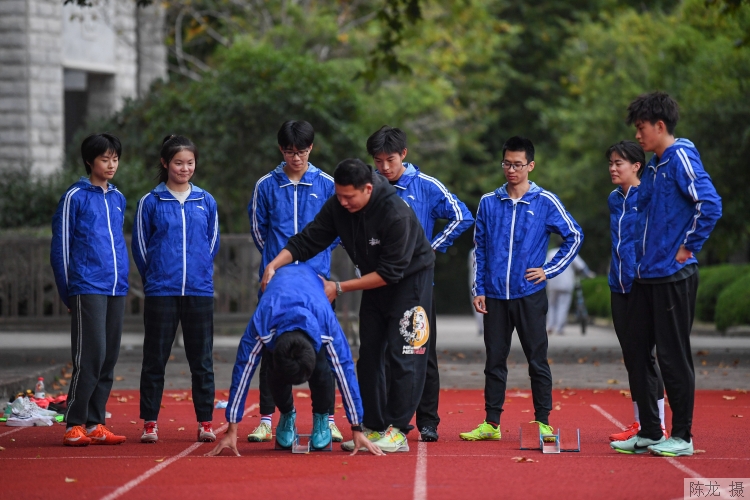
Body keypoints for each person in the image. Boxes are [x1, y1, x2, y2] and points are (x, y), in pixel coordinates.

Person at [262, 158, 435, 453]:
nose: (342, 202)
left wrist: (338, 287)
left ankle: (397, 430)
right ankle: (373, 424)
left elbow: (392, 272)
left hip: (409, 282)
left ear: (368, 189)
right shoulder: (339, 204)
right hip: (373, 281)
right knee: (368, 355)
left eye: (349, 197)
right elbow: (309, 239)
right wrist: (274, 265)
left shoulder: (395, 214)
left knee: (404, 354)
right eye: (338, 195)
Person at [611, 92, 722, 457]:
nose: (638, 136)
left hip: (673, 276)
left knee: (673, 356)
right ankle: (649, 430)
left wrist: (688, 246)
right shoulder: (655, 167)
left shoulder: (681, 158)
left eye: (641, 129)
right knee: (637, 351)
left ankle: (683, 436)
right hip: (645, 278)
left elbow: (710, 204)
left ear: (660, 126)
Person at [461, 136, 583, 442]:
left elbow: (574, 236)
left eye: (517, 164)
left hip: (529, 295)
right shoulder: (489, 202)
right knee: (494, 361)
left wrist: (549, 270)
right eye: (506, 163)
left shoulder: (545, 202)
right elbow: (481, 248)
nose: (511, 170)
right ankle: (491, 423)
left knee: (537, 360)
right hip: (495, 297)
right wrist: (479, 288)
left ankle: (542, 422)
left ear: (531, 165)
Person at [206, 263, 384, 457]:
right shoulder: (262, 322)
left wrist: (357, 427)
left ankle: (322, 416)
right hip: (278, 305)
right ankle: (287, 413)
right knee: (274, 373)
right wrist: (232, 429)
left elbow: (345, 372)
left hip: (311, 297)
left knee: (325, 370)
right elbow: (243, 369)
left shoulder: (327, 324)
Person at [367, 125, 474, 442]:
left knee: (421, 352)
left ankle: (428, 420)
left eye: (390, 160)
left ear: (403, 155)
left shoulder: (425, 186)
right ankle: (389, 422)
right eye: (378, 161)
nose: (384, 168)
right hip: (380, 283)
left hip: (417, 285)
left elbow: (462, 215)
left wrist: (430, 248)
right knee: (384, 353)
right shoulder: (369, 186)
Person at [247, 121, 341, 444]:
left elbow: (337, 229)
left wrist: (317, 262)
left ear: (311, 149)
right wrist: (276, 263)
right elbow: (258, 229)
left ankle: (326, 419)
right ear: (280, 150)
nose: (295, 158)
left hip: (316, 282)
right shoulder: (266, 185)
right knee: (271, 349)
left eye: (300, 152)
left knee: (323, 350)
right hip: (277, 283)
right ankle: (269, 418)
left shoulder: (327, 183)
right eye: (289, 152)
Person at [132, 135, 220, 444]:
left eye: (190, 163)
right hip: (161, 291)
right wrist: (155, 276)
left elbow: (212, 243)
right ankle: (150, 423)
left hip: (198, 291)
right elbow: (141, 247)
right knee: (155, 359)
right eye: (179, 162)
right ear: (165, 163)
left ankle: (206, 422)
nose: (184, 168)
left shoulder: (205, 201)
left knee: (202, 361)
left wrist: (198, 271)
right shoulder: (151, 201)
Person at [51, 133, 129, 446]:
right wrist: (67, 290)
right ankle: (74, 422)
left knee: (108, 356)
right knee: (90, 355)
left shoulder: (118, 197)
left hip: (115, 286)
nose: (111, 165)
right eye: (104, 159)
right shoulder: (75, 196)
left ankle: (97, 422)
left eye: (115, 159)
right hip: (86, 285)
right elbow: (61, 245)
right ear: (89, 161)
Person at [605, 140, 667, 442]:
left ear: (636, 166)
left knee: (645, 357)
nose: (613, 168)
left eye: (619, 163)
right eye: (611, 163)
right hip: (617, 287)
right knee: (631, 357)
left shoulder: (649, 197)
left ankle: (658, 424)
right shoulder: (614, 199)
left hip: (642, 285)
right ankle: (640, 422)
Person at [545, 246, 594, 336]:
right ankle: (559, 328)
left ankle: (550, 326)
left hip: (552, 282)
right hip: (566, 283)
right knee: (563, 305)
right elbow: (581, 266)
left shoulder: (550, 252)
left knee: (551, 305)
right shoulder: (569, 251)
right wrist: (589, 275)